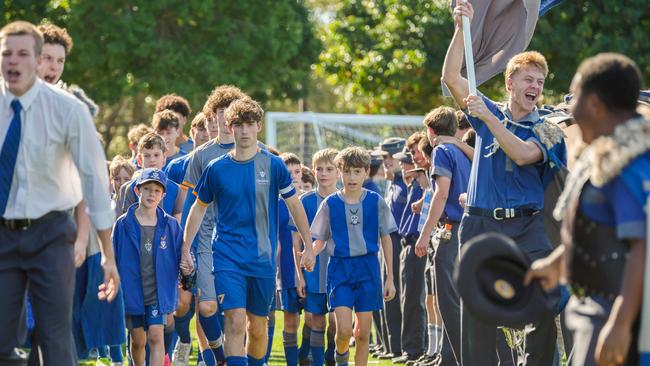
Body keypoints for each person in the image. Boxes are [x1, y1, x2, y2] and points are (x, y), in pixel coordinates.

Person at [441, 2, 567, 364]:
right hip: (480, 224)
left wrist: (488, 119)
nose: (536, 87)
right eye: (529, 79)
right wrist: (460, 26)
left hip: (527, 227)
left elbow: (524, 154)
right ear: (510, 82)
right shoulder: (489, 110)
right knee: (478, 318)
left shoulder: (548, 128)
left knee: (545, 302)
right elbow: (452, 77)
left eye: (540, 82)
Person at [0, 21, 119, 364]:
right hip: (3, 233)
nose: (14, 61)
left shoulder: (69, 110)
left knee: (54, 334)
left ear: (35, 60)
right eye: (7, 53)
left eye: (23, 53)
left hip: (51, 233)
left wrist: (106, 253)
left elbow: (94, 182)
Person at [526, 53, 649, 366]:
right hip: (594, 308)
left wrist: (621, 324)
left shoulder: (630, 163)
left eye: (574, 96)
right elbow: (594, 230)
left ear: (594, 103)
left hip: (623, 317)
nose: (569, 107)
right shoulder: (600, 156)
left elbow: (642, 249)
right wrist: (554, 265)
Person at [183, 98, 316, 366]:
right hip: (227, 256)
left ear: (258, 127)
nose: (244, 131)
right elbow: (198, 209)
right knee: (234, 319)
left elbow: (294, 205)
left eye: (249, 125)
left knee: (257, 328)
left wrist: (309, 246)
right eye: (238, 125)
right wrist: (185, 248)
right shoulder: (216, 168)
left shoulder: (274, 165)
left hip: (262, 259)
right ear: (230, 128)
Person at [311, 146, 397, 366]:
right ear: (340, 172)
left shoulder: (376, 201)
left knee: (363, 333)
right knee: (344, 331)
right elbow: (320, 239)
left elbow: (386, 238)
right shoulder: (330, 203)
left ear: (366, 172)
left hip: (368, 268)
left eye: (357, 172)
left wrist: (390, 279)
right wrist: (309, 253)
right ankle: (341, 359)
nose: (351, 177)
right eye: (347, 171)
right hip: (340, 269)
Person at [181, 85, 247, 365]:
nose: (223, 118)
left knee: (236, 314)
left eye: (229, 113)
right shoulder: (200, 156)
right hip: (206, 241)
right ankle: (219, 355)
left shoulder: (251, 153)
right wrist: (185, 247)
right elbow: (188, 206)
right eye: (219, 112)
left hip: (241, 243)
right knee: (206, 307)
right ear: (213, 115)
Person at [414, 107, 471, 366]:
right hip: (470, 228)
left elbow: (441, 194)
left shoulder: (441, 151)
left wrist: (425, 234)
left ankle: (461, 360)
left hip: (451, 230)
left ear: (431, 130)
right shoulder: (462, 150)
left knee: (448, 303)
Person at [113, 168, 183, 366]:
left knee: (155, 336)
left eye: (157, 191)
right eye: (147, 189)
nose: (152, 194)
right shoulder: (123, 224)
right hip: (133, 290)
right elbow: (113, 254)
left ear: (163, 195)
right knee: (138, 341)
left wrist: (187, 267)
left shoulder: (170, 225)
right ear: (137, 191)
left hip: (157, 291)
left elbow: (181, 252)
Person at [294, 148, 340, 366]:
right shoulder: (305, 201)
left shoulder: (346, 199)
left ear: (339, 172)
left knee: (335, 321)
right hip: (313, 270)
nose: (324, 173)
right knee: (316, 320)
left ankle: (331, 355)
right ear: (312, 171)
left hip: (339, 269)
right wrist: (299, 275)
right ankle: (312, 358)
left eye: (329, 169)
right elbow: (297, 242)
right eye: (319, 169)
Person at [372, 137, 407, 360]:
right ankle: (390, 345)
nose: (384, 162)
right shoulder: (394, 183)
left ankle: (399, 346)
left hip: (399, 242)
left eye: (387, 157)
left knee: (397, 296)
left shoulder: (406, 182)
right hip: (387, 243)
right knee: (387, 297)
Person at [116, 132, 185, 221]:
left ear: (164, 158)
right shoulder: (128, 188)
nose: (152, 160)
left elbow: (177, 226)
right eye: (147, 156)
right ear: (140, 160)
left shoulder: (176, 189)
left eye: (156, 155)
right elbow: (123, 224)